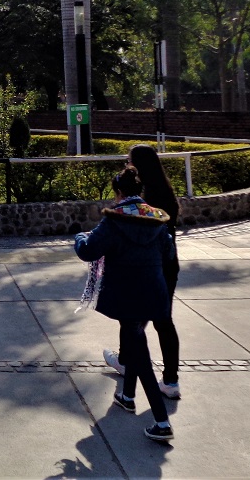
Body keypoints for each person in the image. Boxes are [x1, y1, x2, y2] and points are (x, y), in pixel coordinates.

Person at [74, 167, 176, 443]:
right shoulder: (156, 218)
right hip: (153, 291)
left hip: (127, 294)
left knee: (140, 356)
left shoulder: (113, 221)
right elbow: (168, 252)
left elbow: (88, 251)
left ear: (118, 192)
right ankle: (127, 396)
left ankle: (161, 421)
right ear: (138, 191)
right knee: (134, 341)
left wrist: (79, 237)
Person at [103, 145, 183, 398]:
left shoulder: (141, 201)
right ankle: (171, 381)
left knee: (131, 317)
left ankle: (126, 363)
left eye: (128, 161)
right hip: (168, 265)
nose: (126, 165)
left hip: (144, 266)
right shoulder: (167, 194)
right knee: (163, 320)